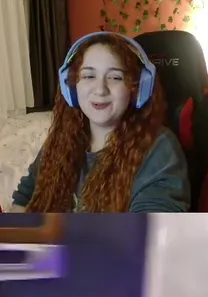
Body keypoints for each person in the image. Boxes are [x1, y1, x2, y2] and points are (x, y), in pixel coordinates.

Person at [11, 32, 190, 213]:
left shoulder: (158, 147)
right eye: (89, 76)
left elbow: (152, 225)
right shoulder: (62, 138)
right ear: (71, 87)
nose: (100, 90)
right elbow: (25, 197)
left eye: (115, 77)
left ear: (137, 89)